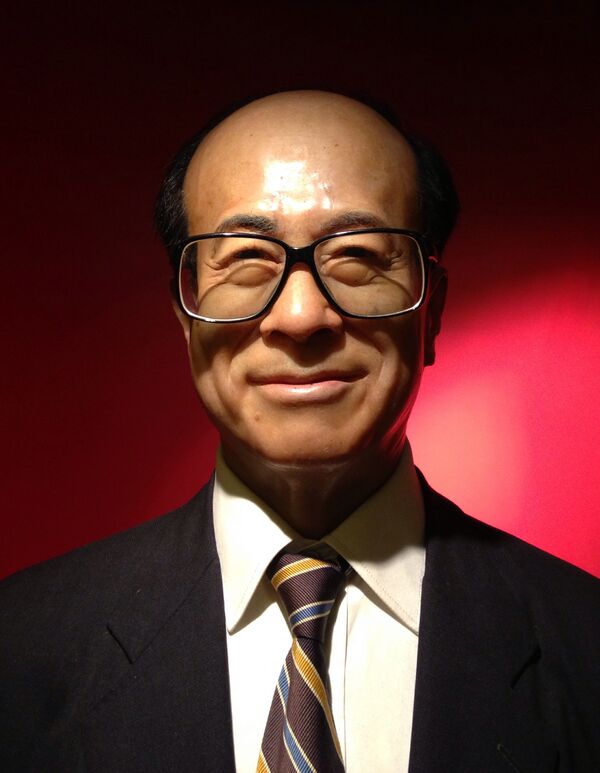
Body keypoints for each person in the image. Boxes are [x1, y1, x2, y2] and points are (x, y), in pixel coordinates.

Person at [1, 90, 598, 773]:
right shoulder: (21, 648)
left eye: (358, 255)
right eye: (246, 258)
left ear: (431, 309)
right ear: (185, 314)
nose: (301, 315)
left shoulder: (582, 646)